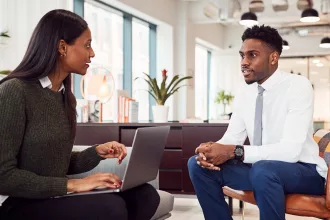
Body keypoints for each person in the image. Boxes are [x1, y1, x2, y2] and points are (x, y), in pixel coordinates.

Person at [0, 9, 159, 220]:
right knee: (111, 208)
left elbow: (55, 162)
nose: (92, 54)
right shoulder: (15, 91)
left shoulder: (66, 97)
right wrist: (73, 185)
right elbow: (3, 176)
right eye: (87, 45)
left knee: (145, 196)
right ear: (62, 47)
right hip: (21, 204)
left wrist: (97, 152)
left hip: (53, 197)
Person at [188, 25, 328, 220]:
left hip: (303, 171)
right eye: (242, 55)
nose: (244, 62)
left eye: (252, 55)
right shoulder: (245, 92)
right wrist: (213, 149)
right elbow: (232, 136)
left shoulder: (297, 86)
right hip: (261, 171)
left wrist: (233, 151)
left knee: (264, 170)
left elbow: (291, 151)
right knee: (197, 165)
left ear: (273, 58)